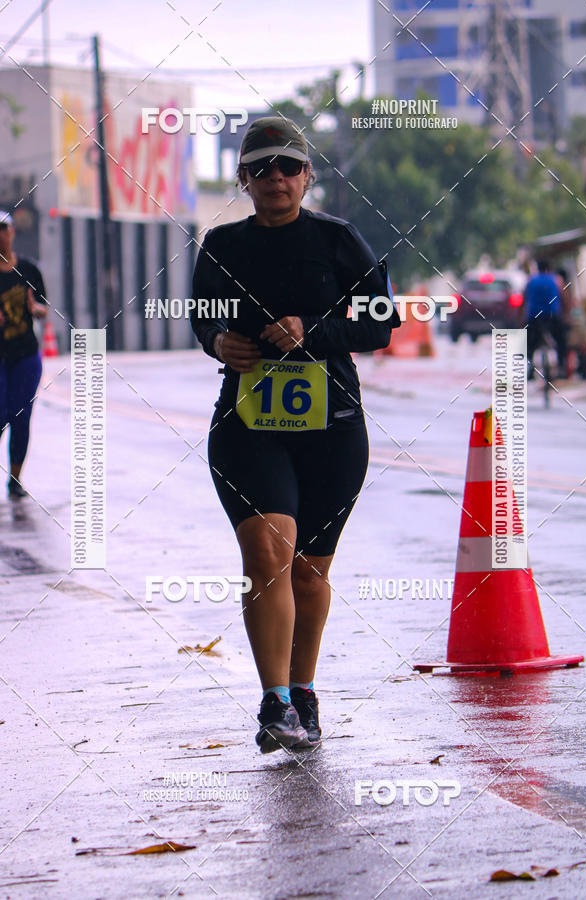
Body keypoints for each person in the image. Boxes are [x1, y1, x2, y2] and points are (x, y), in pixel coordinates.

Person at [191, 117, 400, 754]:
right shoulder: (222, 246)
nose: (275, 178)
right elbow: (204, 319)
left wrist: (312, 329)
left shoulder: (339, 241)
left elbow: (380, 322)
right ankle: (274, 702)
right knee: (266, 554)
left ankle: (303, 689)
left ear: (307, 177)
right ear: (243, 179)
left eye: (287, 166)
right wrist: (218, 341)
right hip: (248, 427)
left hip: (332, 431)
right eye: (260, 168)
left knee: (308, 573)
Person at [0, 211, 48, 498]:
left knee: (21, 416)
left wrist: (35, 310)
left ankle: (15, 481)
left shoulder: (29, 270)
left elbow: (43, 308)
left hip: (26, 356)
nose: (0, 235)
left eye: (4, 228)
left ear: (13, 232)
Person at [524, 259, 567, 379]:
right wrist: (566, 315)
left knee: (529, 343)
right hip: (552, 316)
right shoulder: (557, 280)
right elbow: (564, 298)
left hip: (534, 317)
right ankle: (562, 367)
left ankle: (530, 368)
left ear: (537, 268)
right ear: (550, 268)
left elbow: (524, 299)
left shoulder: (530, 280)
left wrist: (521, 319)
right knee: (561, 340)